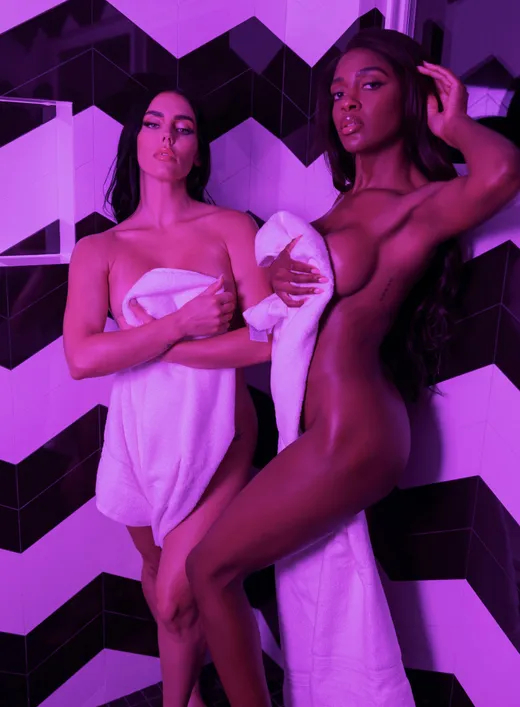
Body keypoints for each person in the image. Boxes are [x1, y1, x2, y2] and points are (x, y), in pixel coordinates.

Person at [170, 28, 520, 707]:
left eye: (370, 84)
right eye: (336, 92)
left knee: (209, 568)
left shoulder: (418, 207)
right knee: (218, 571)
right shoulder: (341, 206)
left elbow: (503, 172)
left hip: (355, 428)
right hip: (323, 427)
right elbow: (298, 308)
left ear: (411, 95)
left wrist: (455, 125)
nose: (348, 104)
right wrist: (274, 273)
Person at [62, 87, 271, 707]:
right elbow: (81, 357)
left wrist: (157, 345)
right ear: (135, 140)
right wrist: (180, 326)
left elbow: (267, 341)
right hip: (139, 441)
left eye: (183, 127)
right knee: (159, 578)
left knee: (178, 595)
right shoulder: (100, 250)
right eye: (154, 124)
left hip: (220, 437)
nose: (168, 137)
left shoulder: (230, 228)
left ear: (197, 150)